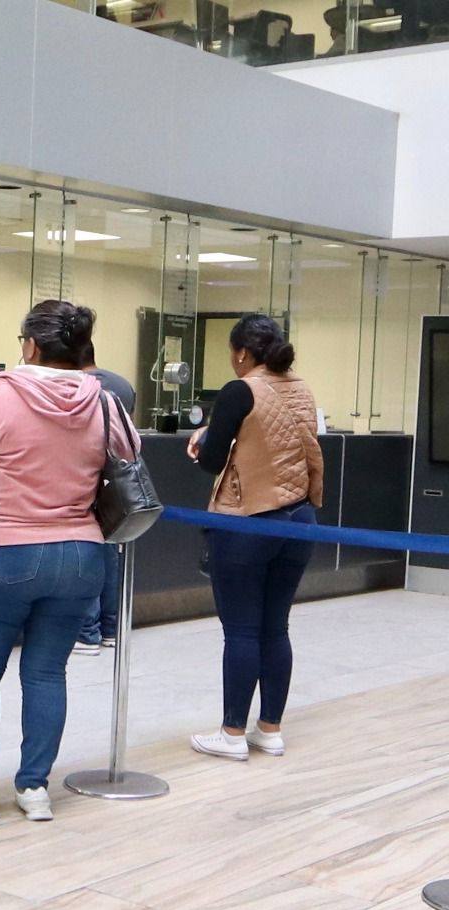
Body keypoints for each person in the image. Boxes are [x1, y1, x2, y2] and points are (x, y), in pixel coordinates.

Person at [0, 301, 137, 825]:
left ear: (31, 346)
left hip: (8, 549)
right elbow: (130, 455)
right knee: (46, 671)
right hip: (81, 553)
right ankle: (35, 787)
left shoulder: (2, 394)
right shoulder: (103, 400)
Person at [186, 314, 323, 761]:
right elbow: (272, 441)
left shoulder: (239, 390)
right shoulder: (301, 388)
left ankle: (231, 733)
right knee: (275, 626)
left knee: (241, 630)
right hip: (300, 519)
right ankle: (270, 729)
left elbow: (211, 461)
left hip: (249, 521)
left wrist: (202, 441)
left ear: (242, 353)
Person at [74, 342, 138, 656]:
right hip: (115, 484)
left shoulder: (76, 387)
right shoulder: (123, 386)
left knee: (86, 556)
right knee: (110, 552)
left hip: (82, 480)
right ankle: (112, 628)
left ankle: (87, 631)